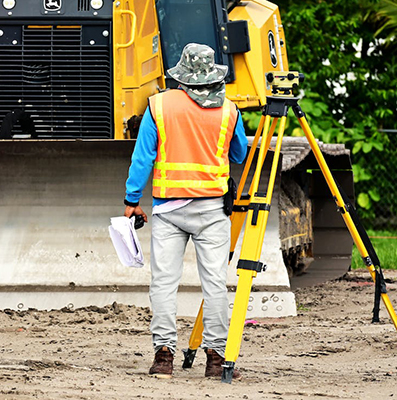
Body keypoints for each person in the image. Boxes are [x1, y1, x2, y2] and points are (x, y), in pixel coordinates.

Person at [123, 43, 248, 379]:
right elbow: (238, 154)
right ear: (211, 74)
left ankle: (163, 356)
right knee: (215, 285)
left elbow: (143, 157)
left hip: (168, 210)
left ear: (181, 75)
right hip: (212, 211)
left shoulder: (158, 106)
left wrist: (132, 199)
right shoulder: (230, 110)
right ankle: (216, 359)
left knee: (163, 283)